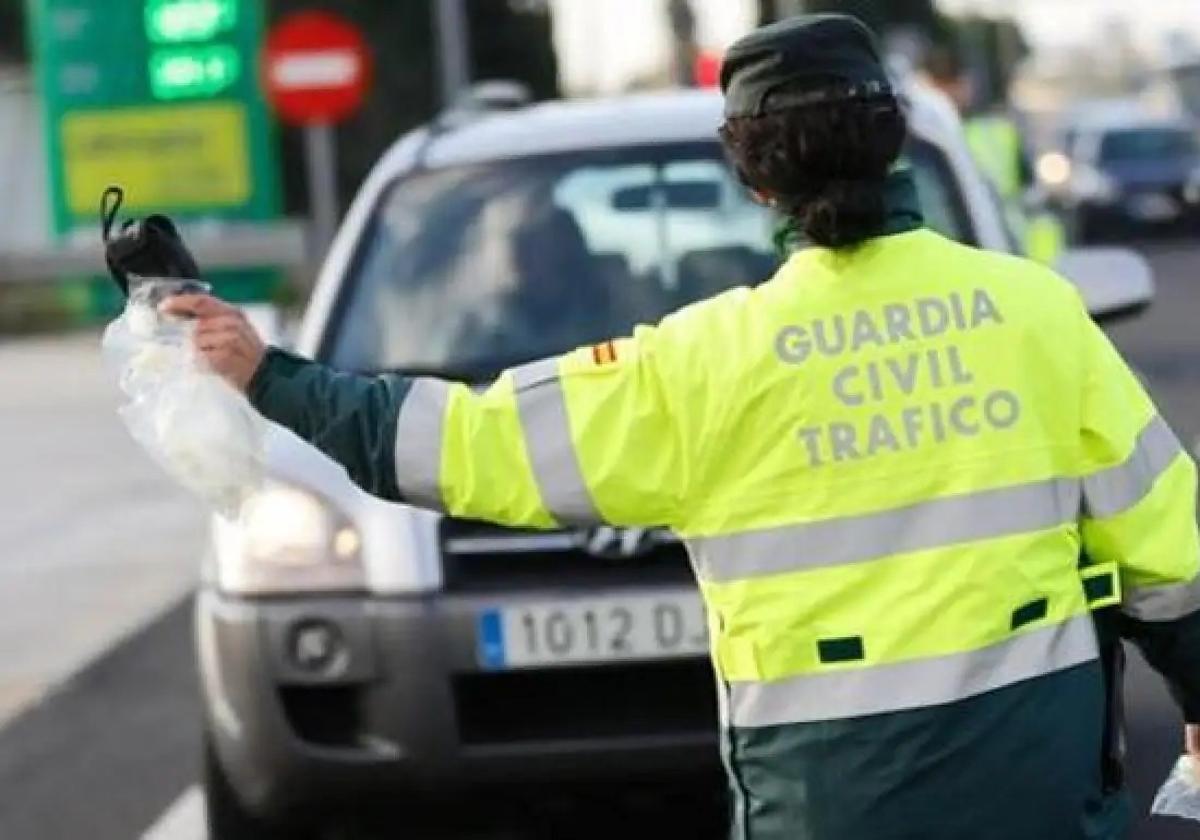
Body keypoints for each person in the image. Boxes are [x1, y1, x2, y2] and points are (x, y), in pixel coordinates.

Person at [163, 14, 1200, 840]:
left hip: (825, 807)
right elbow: (1172, 559)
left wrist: (269, 375)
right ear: (891, 144)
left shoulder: (701, 363)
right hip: (1039, 797)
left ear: (751, 176)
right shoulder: (1035, 315)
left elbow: (453, 441)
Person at [923, 46, 1066, 266]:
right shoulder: (925, 141)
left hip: (1008, 255)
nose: (954, 91)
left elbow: (1033, 199)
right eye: (945, 83)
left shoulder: (999, 132)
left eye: (955, 82)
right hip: (968, 261)